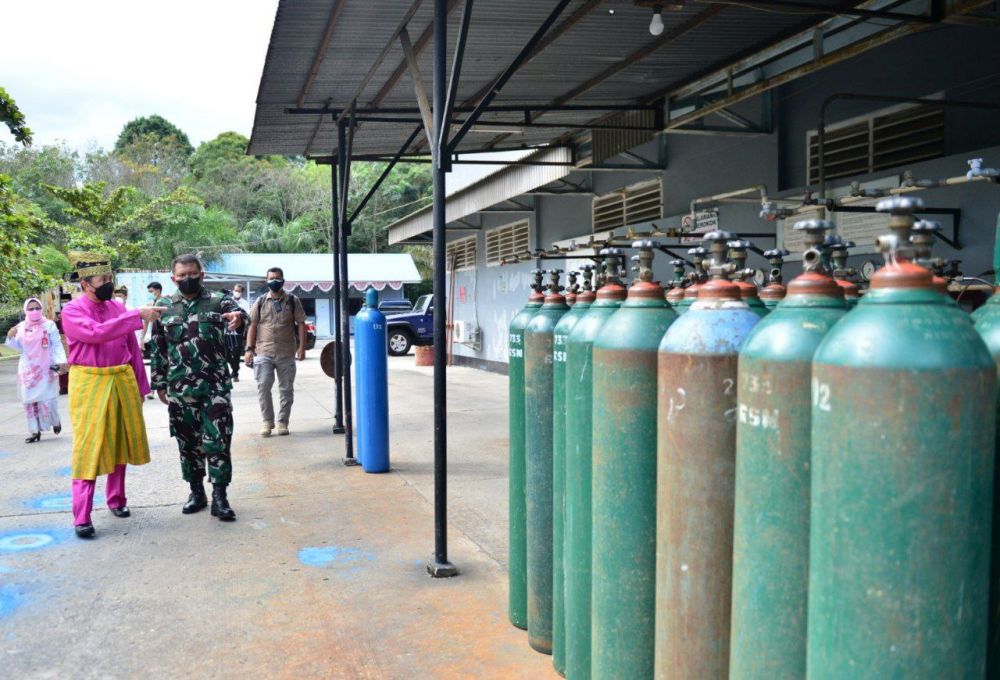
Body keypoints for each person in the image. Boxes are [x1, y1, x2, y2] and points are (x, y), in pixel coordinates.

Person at [60, 251, 164, 539]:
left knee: (121, 440)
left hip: (121, 379)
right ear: (85, 284)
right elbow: (95, 333)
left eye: (109, 278)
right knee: (88, 446)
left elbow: (132, 349)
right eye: (102, 279)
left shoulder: (117, 308)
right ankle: (82, 515)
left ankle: (117, 499)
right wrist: (135, 315)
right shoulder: (72, 311)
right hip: (89, 382)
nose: (108, 283)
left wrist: (141, 387)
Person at [150, 254, 246, 522]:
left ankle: (220, 497)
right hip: (180, 389)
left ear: (201, 275)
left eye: (193, 274)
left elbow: (239, 313)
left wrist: (238, 318)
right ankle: (196, 492)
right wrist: (159, 382)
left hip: (215, 387)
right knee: (187, 443)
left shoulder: (218, 300)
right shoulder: (163, 306)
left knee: (218, 440)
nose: (188, 279)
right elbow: (158, 347)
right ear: (174, 279)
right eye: (182, 275)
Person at [244, 267, 306, 437]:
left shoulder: (292, 300)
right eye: (271, 278)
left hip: (286, 352)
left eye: (277, 278)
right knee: (263, 386)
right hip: (263, 352)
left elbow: (301, 323)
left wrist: (301, 347)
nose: (274, 281)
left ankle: (283, 421)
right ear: (267, 281)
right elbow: (252, 326)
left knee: (286, 389)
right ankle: (267, 421)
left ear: (283, 280)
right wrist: (249, 349)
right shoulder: (260, 301)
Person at [5, 298, 68, 443]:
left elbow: (56, 344)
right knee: (29, 401)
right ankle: (34, 431)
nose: (34, 311)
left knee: (48, 399)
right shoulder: (20, 327)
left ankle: (55, 421)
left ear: (41, 309)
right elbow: (17, 348)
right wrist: (10, 336)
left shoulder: (49, 325)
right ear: (25, 310)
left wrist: (61, 362)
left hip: (46, 368)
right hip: (28, 369)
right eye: (31, 308)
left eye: (37, 308)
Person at [225, 284, 251, 383]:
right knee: (226, 353)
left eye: (239, 291)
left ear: (242, 292)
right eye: (235, 290)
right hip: (226, 332)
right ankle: (234, 368)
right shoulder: (227, 301)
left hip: (238, 333)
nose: (236, 292)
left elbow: (247, 317)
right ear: (233, 290)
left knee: (236, 354)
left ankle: (235, 373)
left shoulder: (245, 303)